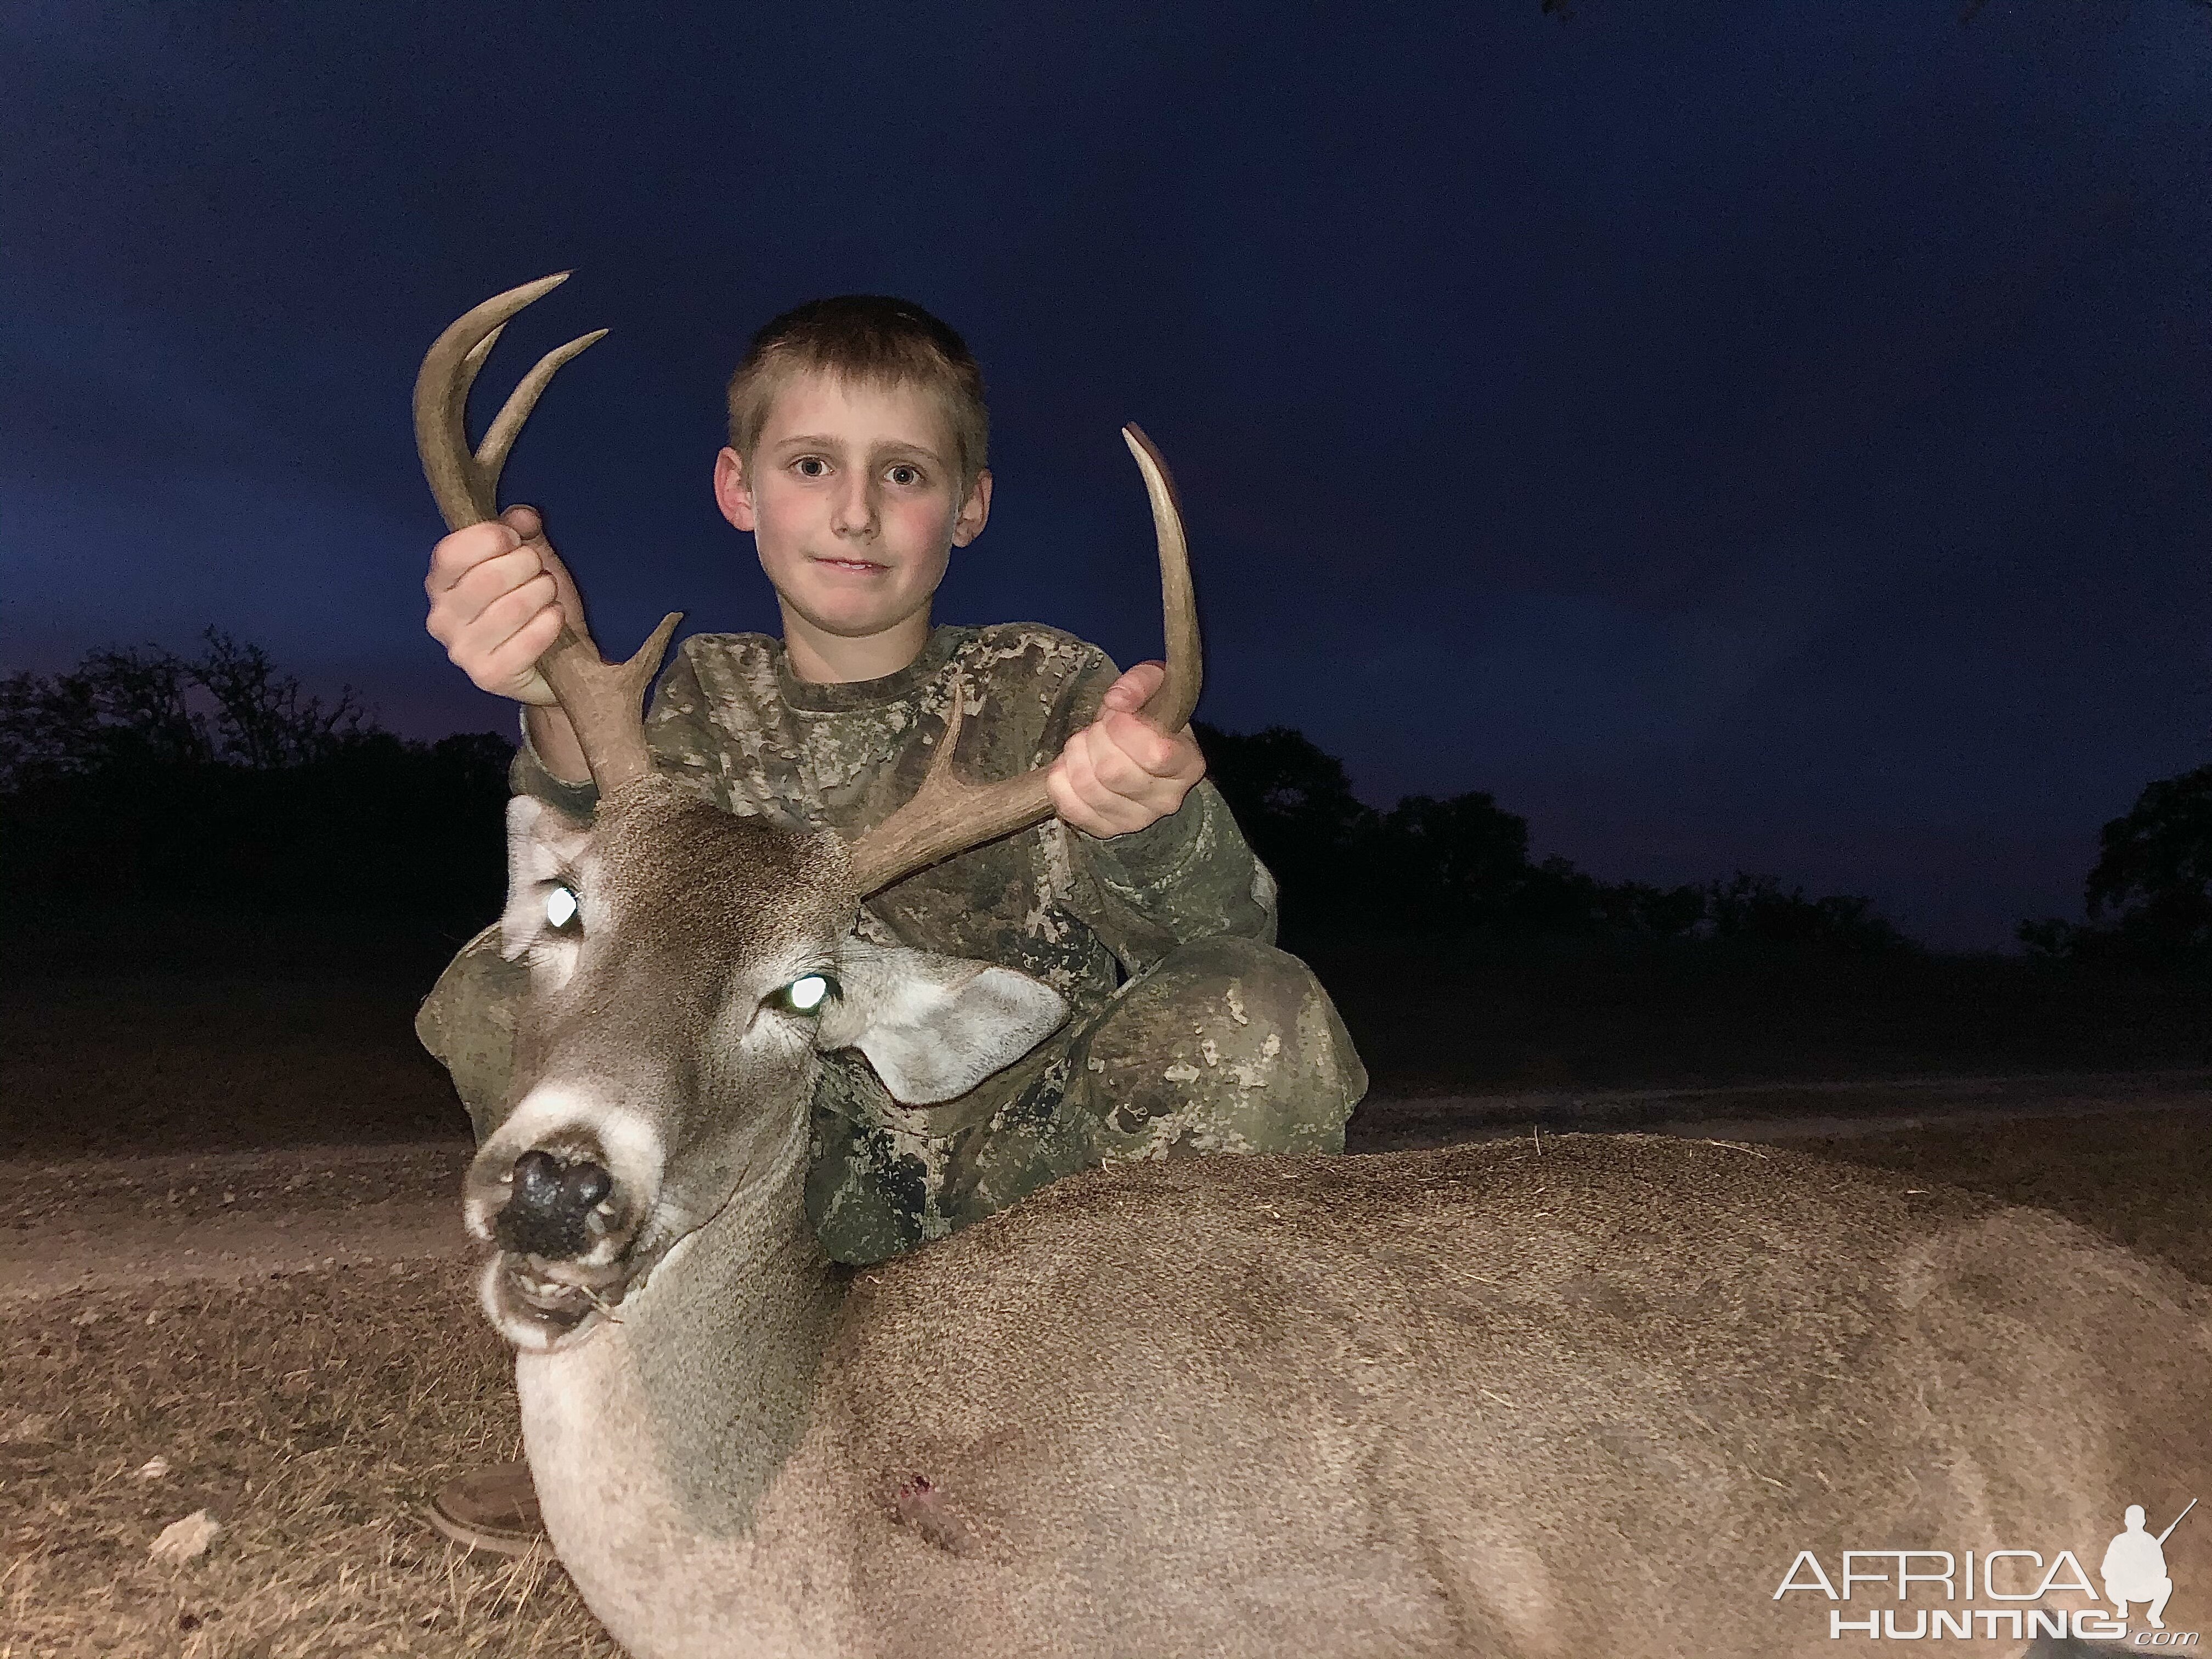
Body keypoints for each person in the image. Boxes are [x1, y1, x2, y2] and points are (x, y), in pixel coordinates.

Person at [413, 294, 1369, 1553]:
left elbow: (1225, 931)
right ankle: (625, 1394)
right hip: (794, 1180)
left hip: (1038, 1190)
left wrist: (1148, 823)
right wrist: (544, 699)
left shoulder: (1055, 688)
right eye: (811, 465)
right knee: (502, 983)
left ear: (967, 506)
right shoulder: (669, 715)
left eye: (904, 473)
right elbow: (571, 912)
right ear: (738, 485)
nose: (854, 512)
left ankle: (1207, 1428)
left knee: (1260, 1018)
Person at [2102, 1503, 2177, 1628]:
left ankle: (2154, 1615)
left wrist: (2149, 1573)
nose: (2134, 1523)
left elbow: (2162, 1570)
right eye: (2131, 1520)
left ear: (2143, 1521)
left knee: (2166, 1583)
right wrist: (2121, 1573)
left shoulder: (2151, 1542)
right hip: (2123, 1589)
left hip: (2144, 1589)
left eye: (2137, 1520)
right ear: (2126, 1521)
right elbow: (2106, 1568)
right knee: (2110, 1582)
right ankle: (2122, 1606)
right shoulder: (2119, 1541)